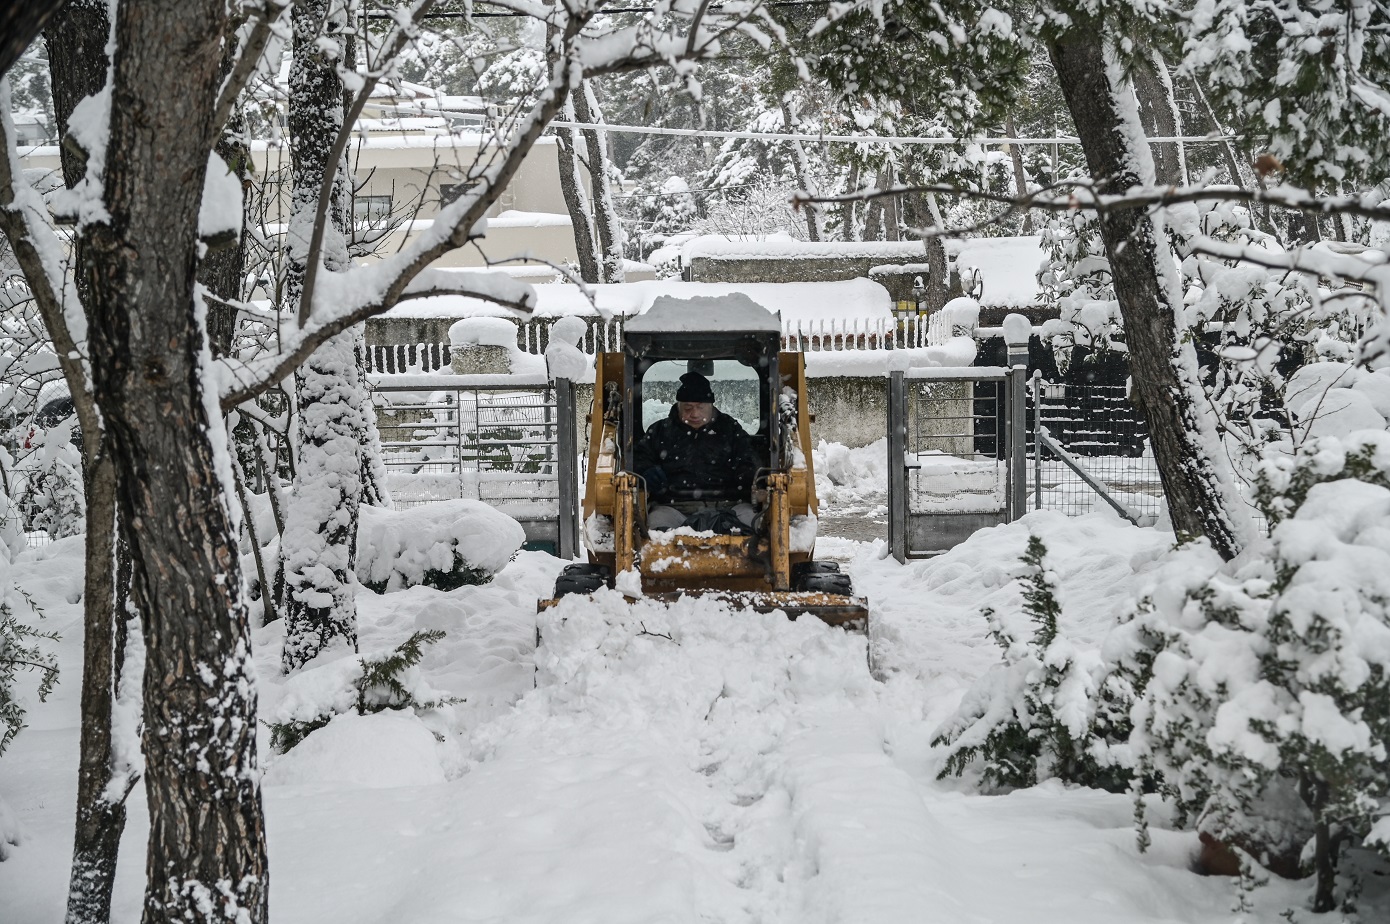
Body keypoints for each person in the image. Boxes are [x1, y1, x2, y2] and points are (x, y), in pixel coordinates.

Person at [633, 371, 759, 532]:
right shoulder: (660, 431)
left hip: (731, 506)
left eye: (700, 407)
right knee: (655, 534)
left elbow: (750, 459)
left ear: (711, 405)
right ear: (678, 406)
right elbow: (638, 458)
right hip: (673, 508)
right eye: (688, 408)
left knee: (757, 530)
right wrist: (646, 471)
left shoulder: (730, 429)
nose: (694, 414)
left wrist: (744, 476)